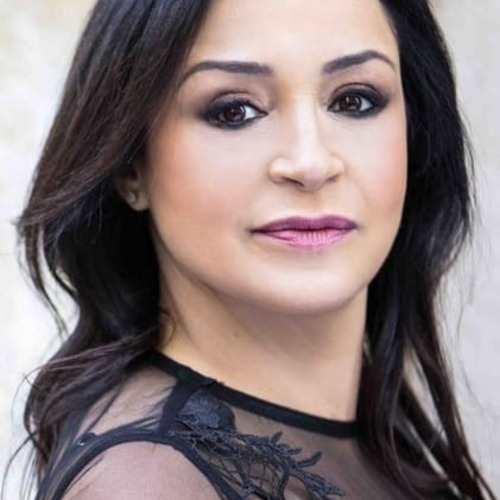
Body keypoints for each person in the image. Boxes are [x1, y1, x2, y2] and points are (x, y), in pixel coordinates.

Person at [13, 0, 496, 498]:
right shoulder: (147, 483)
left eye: (354, 101)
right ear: (131, 166)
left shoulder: (388, 441)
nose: (311, 163)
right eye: (234, 110)